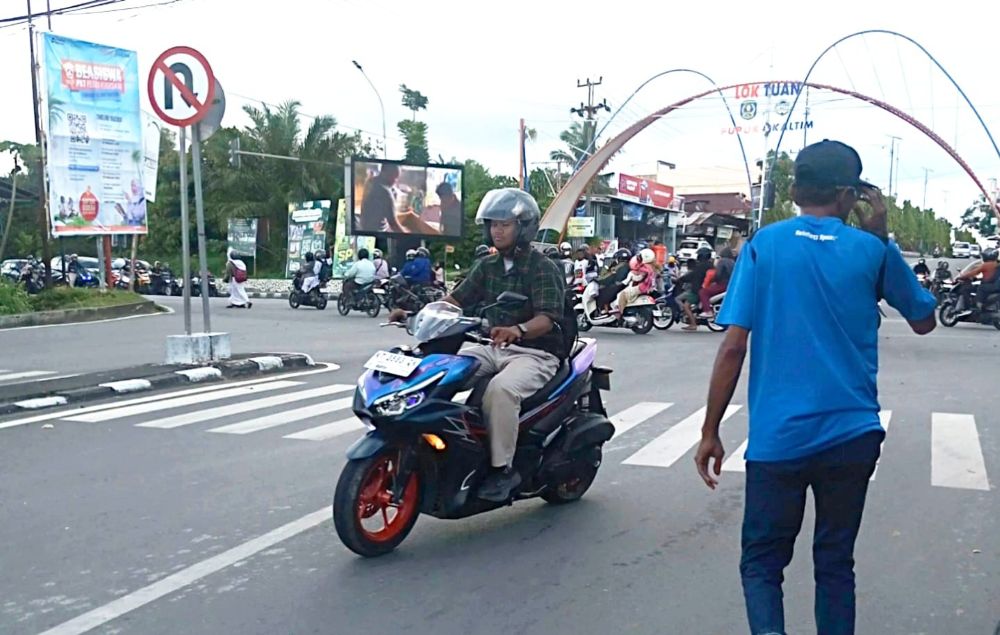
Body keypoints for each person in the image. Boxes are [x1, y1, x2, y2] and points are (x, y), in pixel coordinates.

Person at [694, 139, 935, 635]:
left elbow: (734, 346)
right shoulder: (872, 250)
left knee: (762, 563)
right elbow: (925, 320)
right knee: (834, 563)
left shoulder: (765, 245)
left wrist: (711, 429)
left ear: (798, 190)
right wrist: (882, 236)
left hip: (778, 440)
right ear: (850, 195)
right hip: (852, 437)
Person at [440, 188, 565, 502]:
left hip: (536, 353)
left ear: (523, 228)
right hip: (492, 346)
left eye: (505, 224)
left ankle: (502, 469)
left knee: (500, 390)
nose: (497, 230)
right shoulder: (487, 265)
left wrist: (518, 329)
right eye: (493, 224)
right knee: (442, 372)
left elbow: (548, 317)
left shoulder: (542, 266)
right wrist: (421, 313)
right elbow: (456, 299)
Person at [675, 247, 714, 331]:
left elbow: (691, 276)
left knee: (686, 306)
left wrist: (680, 279)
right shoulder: (711, 265)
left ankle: (693, 324)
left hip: (697, 290)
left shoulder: (700, 266)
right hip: (707, 288)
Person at [359, 163, 403, 233]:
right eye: (395, 177)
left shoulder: (371, 181)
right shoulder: (385, 192)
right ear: (386, 173)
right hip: (378, 232)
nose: (395, 181)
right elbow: (393, 224)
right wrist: (408, 235)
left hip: (364, 227)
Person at [955, 248, 1000, 314]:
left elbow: (973, 272)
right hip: (995, 285)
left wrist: (961, 277)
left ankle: (978, 306)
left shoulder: (986, 265)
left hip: (991, 286)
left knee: (975, 288)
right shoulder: (997, 264)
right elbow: (990, 277)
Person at [614, 248, 656, 314]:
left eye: (640, 257)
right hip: (648, 287)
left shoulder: (645, 268)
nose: (638, 258)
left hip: (642, 288)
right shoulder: (651, 267)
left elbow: (639, 278)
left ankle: (620, 314)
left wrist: (632, 277)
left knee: (622, 295)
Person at [699, 247, 735, 318]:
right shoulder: (733, 262)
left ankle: (708, 311)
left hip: (722, 284)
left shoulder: (722, 261)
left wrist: (713, 280)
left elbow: (718, 274)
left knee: (703, 292)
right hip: (730, 284)